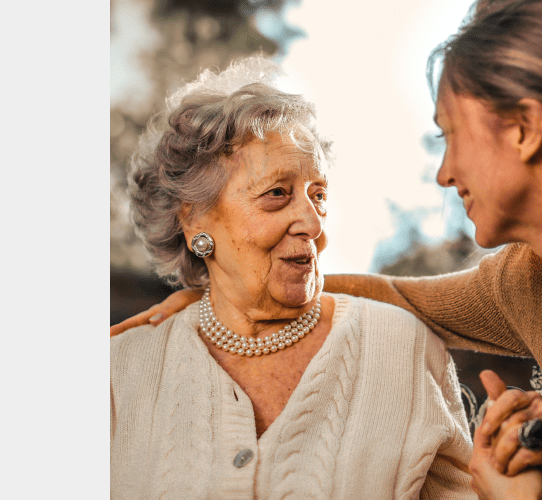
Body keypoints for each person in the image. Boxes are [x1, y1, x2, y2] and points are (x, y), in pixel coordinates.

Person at [113, 0, 542, 498]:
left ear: (525, 130)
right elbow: (401, 295)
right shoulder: (526, 283)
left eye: (450, 134)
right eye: (277, 194)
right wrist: (222, 291)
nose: (444, 174)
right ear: (194, 221)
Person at [111, 56, 503, 500]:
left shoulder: (404, 349)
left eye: (318, 196)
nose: (312, 224)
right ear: (195, 220)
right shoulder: (119, 370)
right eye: (277, 194)